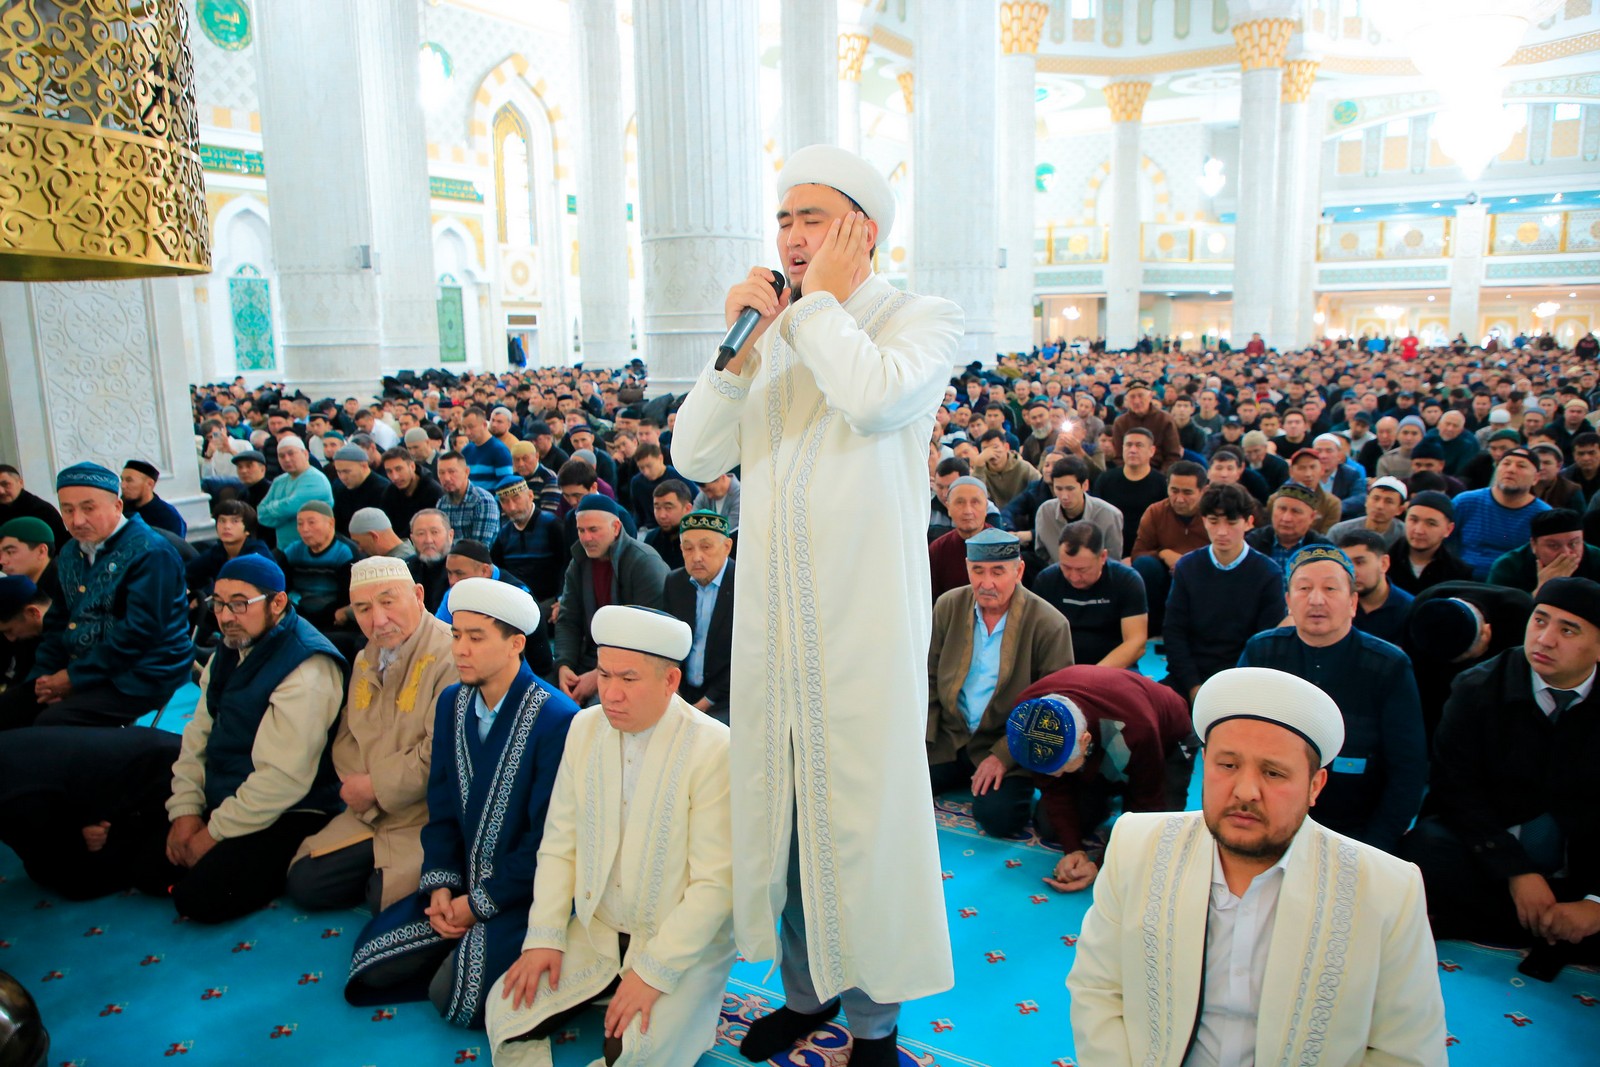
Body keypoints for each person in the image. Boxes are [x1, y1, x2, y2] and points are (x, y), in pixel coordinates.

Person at [672, 144, 959, 1061]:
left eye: (813, 219)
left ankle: (875, 1023)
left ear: (861, 231)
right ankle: (804, 995)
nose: (792, 237)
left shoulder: (919, 318)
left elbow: (873, 400)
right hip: (771, 631)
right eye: (784, 220)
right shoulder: (777, 329)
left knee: (865, 832)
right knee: (784, 826)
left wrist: (818, 308)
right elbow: (692, 454)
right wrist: (738, 353)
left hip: (862, 631)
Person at [1067, 667, 1447, 1067]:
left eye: (1273, 772)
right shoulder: (1136, 846)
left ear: (1315, 786)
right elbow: (1097, 990)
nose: (1245, 791)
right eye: (1228, 765)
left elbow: (1406, 1051)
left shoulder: (1388, 891)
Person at [486, 606, 736, 1066]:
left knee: (633, 1051)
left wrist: (653, 973)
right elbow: (559, 843)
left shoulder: (713, 748)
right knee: (506, 1006)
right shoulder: (585, 728)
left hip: (675, 943)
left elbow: (716, 886)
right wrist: (544, 935)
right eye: (603, 675)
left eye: (629, 678)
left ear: (670, 681)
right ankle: (606, 982)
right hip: (598, 929)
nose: (611, 693)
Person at [344, 578, 577, 1027]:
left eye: (476, 638)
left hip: (523, 896)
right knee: (368, 963)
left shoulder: (557, 718)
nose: (460, 650)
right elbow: (443, 806)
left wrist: (477, 905)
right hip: (463, 882)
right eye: (455, 635)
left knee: (457, 998)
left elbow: (547, 842)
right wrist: (442, 887)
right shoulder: (452, 702)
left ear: (516, 644)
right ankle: (456, 941)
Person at [1404, 577, 1600, 977]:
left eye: (1568, 630)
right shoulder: (1477, 687)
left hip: (1583, 862)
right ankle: (1550, 929)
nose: (1544, 639)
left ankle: (1545, 923)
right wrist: (1516, 871)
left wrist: (1596, 903)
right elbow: (1456, 790)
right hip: (1492, 855)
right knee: (1423, 851)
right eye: (1539, 620)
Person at [160, 556, 347, 921]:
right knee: (148, 858)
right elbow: (198, 734)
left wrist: (211, 834)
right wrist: (185, 812)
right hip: (231, 789)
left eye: (240, 604)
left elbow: (282, 778)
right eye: (218, 603)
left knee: (200, 897)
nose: (225, 616)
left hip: (292, 806)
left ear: (277, 603)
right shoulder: (232, 646)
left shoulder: (307, 664)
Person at [285, 557, 457, 913]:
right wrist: (361, 786)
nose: (378, 620)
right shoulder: (368, 656)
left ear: (418, 595)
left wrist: (376, 787)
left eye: (388, 602)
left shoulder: (450, 655)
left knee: (385, 902)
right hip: (368, 810)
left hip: (424, 815)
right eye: (363, 609)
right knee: (304, 881)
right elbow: (348, 734)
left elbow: (440, 754)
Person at [1238, 547, 1427, 854]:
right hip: (1269, 818)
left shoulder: (1388, 666)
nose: (1316, 600)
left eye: (1330, 589)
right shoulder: (1262, 653)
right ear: (1288, 601)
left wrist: (1374, 847)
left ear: (1352, 602)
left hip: (1356, 827)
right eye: (1304, 588)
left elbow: (1408, 769)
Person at [0, 463, 191, 732]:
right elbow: (58, 623)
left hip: (144, 672)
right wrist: (41, 679)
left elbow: (139, 633)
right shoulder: (71, 552)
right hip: (85, 667)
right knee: (11, 709)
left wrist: (73, 678)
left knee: (50, 724)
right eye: (68, 510)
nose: (77, 520)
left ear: (117, 506)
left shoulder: (150, 553)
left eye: (88, 508)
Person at [926, 530, 1074, 837]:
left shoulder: (1049, 624)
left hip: (1005, 739)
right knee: (898, 786)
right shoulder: (948, 606)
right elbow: (929, 677)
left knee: (999, 818)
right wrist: (922, 742)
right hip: (951, 735)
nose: (986, 583)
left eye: (997, 572)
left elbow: (1053, 704)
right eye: (978, 571)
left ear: (1018, 571)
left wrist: (1003, 756)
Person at [1009, 667, 1195, 891]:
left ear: (1084, 740)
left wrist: (1102, 865)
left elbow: (1147, 805)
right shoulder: (1026, 719)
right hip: (1104, 739)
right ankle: (1107, 792)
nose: (1055, 777)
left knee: (1158, 835)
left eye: (1061, 768)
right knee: (1051, 827)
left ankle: (1117, 788)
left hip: (1167, 740)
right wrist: (1073, 849)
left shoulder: (1139, 729)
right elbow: (1053, 788)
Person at [1165, 483, 1287, 703]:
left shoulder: (1268, 574)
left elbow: (1264, 642)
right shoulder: (1187, 567)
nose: (1222, 532)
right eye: (1213, 522)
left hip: (1244, 679)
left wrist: (1231, 689)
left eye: (1231, 523)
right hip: (1190, 677)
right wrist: (1193, 686)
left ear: (1248, 522)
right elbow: (1174, 632)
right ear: (1204, 521)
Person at [553, 495, 670, 705]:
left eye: (593, 530)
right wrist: (564, 666)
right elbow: (568, 620)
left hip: (633, 665)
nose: (586, 538)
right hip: (589, 658)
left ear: (616, 528)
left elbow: (650, 634)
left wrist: (600, 674)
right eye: (581, 530)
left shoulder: (644, 563)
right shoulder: (578, 563)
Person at [1033, 522, 1148, 670]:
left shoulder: (1127, 580)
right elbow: (1038, 639)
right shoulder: (1046, 581)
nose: (1074, 577)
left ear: (1103, 557)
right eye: (1066, 567)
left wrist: (1092, 675)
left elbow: (1136, 642)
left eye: (1082, 570)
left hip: (1115, 668)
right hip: (1061, 668)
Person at [662, 510, 736, 723]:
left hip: (729, 698)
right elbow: (668, 642)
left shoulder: (744, 584)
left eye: (706, 547)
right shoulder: (674, 583)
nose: (696, 557)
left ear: (727, 547)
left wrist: (705, 703)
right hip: (682, 692)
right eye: (688, 548)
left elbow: (749, 655)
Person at [1129, 460, 1209, 635]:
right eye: (1174, 490)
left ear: (1203, 491)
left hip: (1202, 575)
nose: (1179, 499)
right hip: (1163, 575)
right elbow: (1138, 553)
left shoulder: (1213, 515)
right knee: (1145, 565)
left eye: (1187, 492)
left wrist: (1187, 561)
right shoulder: (1156, 512)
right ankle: (1151, 630)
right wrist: (1163, 553)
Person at [1452, 446, 1552, 579]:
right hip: (1462, 580)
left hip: (1512, 585)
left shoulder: (1543, 515)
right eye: (1506, 464)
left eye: (1521, 466)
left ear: (1536, 478)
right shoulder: (1465, 502)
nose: (1511, 470)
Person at [281, 501, 359, 633]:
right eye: (300, 523)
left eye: (311, 522)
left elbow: (346, 598)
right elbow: (282, 588)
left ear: (331, 523)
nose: (305, 529)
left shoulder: (345, 552)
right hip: (298, 618)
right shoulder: (293, 551)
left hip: (333, 622)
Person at [1032, 456, 1123, 567]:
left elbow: (1113, 561)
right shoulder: (1045, 512)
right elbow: (1041, 554)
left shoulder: (1109, 515)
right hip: (1056, 572)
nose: (1064, 496)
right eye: (1059, 489)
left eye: (1070, 489)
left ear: (1085, 485)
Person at [1487, 507, 1600, 594]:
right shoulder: (1508, 566)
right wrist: (1542, 589)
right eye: (1553, 546)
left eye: (1573, 544)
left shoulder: (1596, 558)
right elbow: (1498, 611)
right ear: (1534, 545)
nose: (1566, 553)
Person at [490, 476, 566, 603]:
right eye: (505, 501)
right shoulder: (504, 533)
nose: (512, 507)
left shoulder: (551, 524)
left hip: (549, 600)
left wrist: (560, 598)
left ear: (530, 495)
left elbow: (566, 564)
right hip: (514, 600)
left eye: (516, 498)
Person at [1094, 427, 1168, 559]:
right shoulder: (1105, 480)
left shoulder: (1162, 484)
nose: (1133, 450)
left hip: (1147, 553)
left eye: (1139, 445)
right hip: (1108, 550)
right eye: (1128, 445)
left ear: (1151, 451)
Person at [254, 436, 334, 550]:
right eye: (281, 456)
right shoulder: (279, 481)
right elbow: (261, 514)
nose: (287, 459)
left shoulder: (316, 480)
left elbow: (290, 507)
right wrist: (286, 513)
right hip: (283, 549)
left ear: (305, 454)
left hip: (312, 549)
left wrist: (276, 511)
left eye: (291, 454)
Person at [1338, 528, 1413, 647]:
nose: (1352, 572)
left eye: (1359, 562)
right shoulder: (1336, 605)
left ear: (1384, 563)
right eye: (1346, 565)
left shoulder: (1410, 610)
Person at [1386, 489, 1471, 595]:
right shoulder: (1383, 561)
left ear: (1448, 530)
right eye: (1413, 520)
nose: (1419, 530)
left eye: (1431, 524)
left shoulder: (1458, 574)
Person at [928, 475, 997, 600]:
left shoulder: (1003, 546)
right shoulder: (937, 550)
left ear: (986, 507)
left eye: (975, 502)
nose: (968, 511)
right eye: (960, 502)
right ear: (948, 507)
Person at [1244, 484, 1330, 569]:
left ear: (1312, 517)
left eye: (1296, 511)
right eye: (1282, 509)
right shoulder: (1251, 543)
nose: (1286, 518)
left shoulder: (1324, 550)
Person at [1110, 379, 1181, 472]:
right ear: (1126, 400)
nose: (1136, 401)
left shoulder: (1165, 419)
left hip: (1158, 471)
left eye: (1140, 396)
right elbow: (1118, 456)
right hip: (1128, 471)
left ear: (1150, 397)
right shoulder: (1120, 422)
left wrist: (1161, 476)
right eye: (1132, 397)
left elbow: (1173, 455)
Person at [435, 450, 502, 545]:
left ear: (467, 472)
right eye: (441, 473)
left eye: (452, 472)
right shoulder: (442, 503)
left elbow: (480, 548)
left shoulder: (483, 501)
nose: (446, 478)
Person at [1326, 475, 1407, 549]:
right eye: (1376, 498)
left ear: (1400, 510)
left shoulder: (1405, 534)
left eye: (1389, 501)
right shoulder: (1339, 532)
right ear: (1366, 501)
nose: (1380, 506)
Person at [0, 465, 69, 549]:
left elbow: (59, 546)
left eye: (5, 484)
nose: (1, 491)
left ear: (20, 483)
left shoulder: (43, 510)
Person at [379, 448, 442, 537]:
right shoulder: (390, 492)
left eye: (399, 469)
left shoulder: (433, 492)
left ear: (412, 466)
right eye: (389, 471)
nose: (395, 477)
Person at [120, 460, 187, 537]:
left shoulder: (168, 516)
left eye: (129, 480)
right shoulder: (120, 508)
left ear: (149, 484)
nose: (123, 485)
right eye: (122, 480)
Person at [406, 508, 454, 613]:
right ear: (412, 539)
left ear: (450, 536)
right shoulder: (405, 569)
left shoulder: (462, 568)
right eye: (420, 534)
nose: (428, 540)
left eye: (434, 532)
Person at [642, 480, 694, 571]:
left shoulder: (698, 541)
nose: (662, 515)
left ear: (687, 509)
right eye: (657, 508)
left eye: (668, 508)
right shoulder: (651, 539)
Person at [460, 406, 515, 492]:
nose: (467, 432)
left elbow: (507, 485)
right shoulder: (466, 451)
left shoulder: (499, 450)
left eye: (471, 427)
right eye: (464, 428)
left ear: (484, 425)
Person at [349, 507, 415, 561]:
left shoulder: (403, 564)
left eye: (358, 542)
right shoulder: (408, 556)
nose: (359, 549)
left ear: (374, 536)